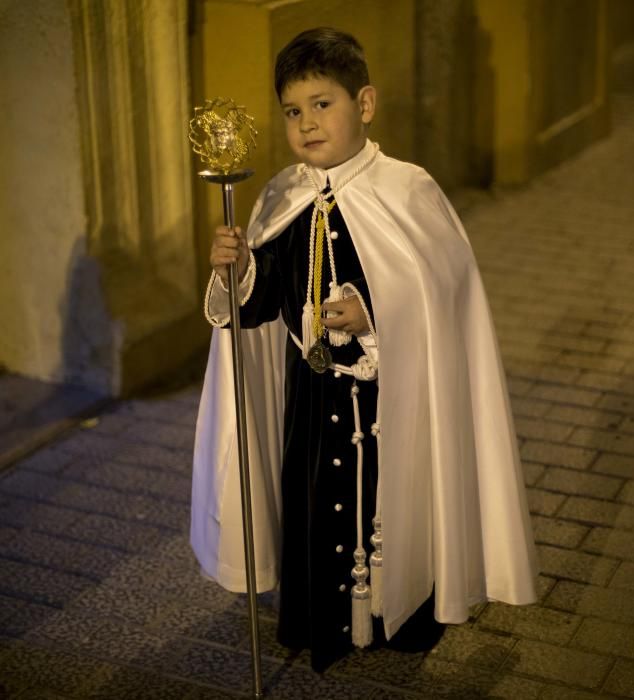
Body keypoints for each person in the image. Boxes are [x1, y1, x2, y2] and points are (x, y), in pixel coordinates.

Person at [190, 26, 539, 673]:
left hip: (388, 409)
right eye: (293, 111)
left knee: (387, 509)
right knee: (311, 506)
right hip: (311, 402)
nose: (307, 124)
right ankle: (317, 618)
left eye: (324, 103)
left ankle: (397, 615)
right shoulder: (282, 196)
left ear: (366, 104)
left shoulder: (409, 190)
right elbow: (260, 307)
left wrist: (373, 315)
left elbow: (441, 296)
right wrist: (236, 271)